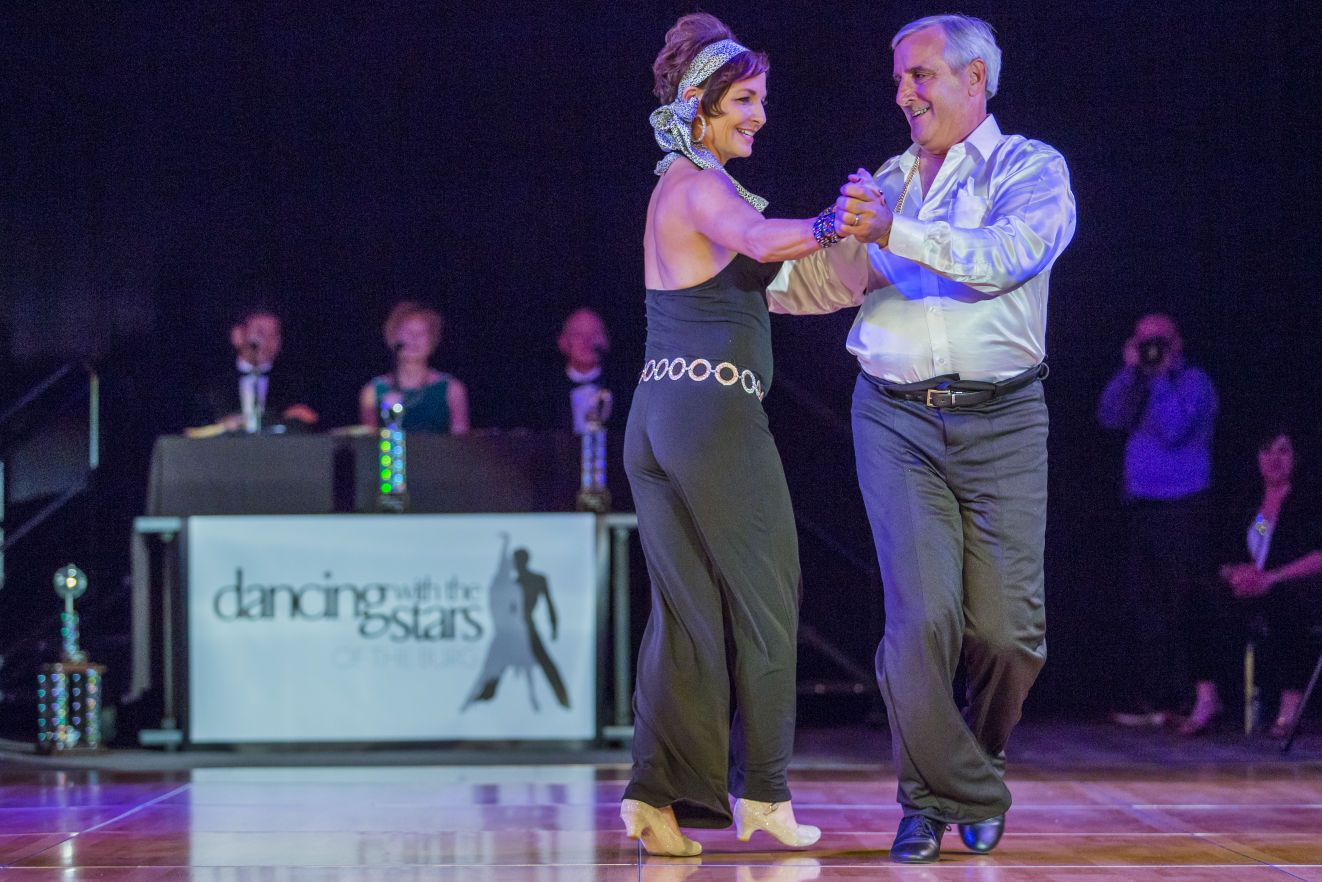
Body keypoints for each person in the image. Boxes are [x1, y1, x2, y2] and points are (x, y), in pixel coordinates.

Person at [765, 14, 1076, 863]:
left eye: (923, 76)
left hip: (1006, 418)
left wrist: (889, 229)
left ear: (976, 81)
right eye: (900, 78)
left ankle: (973, 763)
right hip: (896, 418)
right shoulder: (888, 181)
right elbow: (827, 279)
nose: (905, 93)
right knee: (921, 619)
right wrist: (729, 271)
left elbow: (1005, 257)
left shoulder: (1032, 168)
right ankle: (929, 797)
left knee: (1011, 633)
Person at [621, 11, 847, 858]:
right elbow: (760, 239)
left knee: (684, 617)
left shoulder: (674, 186)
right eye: (744, 101)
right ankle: (767, 796)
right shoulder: (699, 183)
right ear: (701, 108)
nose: (759, 114)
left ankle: (654, 801)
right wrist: (833, 221)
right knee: (766, 602)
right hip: (711, 418)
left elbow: (768, 269)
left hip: (659, 417)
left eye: (760, 100)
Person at [1097, 313, 1217, 727]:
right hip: (1141, 504)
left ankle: (1193, 698)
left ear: (1177, 342)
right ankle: (1156, 698)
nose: (1151, 349)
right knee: (1146, 608)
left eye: (1159, 341)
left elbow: (1174, 429)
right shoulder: (1139, 381)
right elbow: (1109, 417)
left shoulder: (1194, 382)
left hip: (1183, 505)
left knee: (1185, 603)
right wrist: (1130, 373)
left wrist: (1161, 377)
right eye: (1143, 341)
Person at [1181, 430, 1322, 737]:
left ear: (1295, 459)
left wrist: (1272, 577)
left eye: (1282, 451)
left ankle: (1289, 707)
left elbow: (1317, 555)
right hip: (1252, 586)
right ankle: (1207, 699)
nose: (1274, 459)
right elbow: (1238, 546)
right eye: (1267, 450)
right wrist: (1234, 573)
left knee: (1290, 605)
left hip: (1290, 583)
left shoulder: (1307, 503)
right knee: (1197, 597)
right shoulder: (1250, 504)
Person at [193, 307, 319, 433]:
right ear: (237, 336)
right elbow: (196, 431)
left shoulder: (294, 384)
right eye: (260, 333)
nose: (268, 342)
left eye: (274, 334)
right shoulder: (212, 384)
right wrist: (222, 427)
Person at [358, 301, 469, 434]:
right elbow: (369, 447)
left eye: (422, 333)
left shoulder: (452, 389)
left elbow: (461, 446)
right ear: (393, 337)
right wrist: (389, 418)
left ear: (432, 340)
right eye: (407, 332)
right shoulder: (372, 392)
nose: (414, 339)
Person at [548, 308, 615, 433]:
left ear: (606, 341)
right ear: (562, 342)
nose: (587, 341)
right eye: (578, 334)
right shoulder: (546, 392)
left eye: (595, 333)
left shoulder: (625, 390)